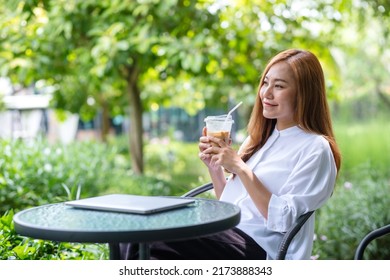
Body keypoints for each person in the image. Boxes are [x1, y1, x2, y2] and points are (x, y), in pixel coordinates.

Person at [120, 48, 341, 260]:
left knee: (152, 238)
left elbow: (283, 220)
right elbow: (231, 205)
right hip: (228, 235)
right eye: (265, 82)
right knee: (132, 238)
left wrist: (240, 168)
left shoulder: (315, 148)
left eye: (279, 86)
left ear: (304, 93)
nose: (266, 93)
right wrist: (215, 169)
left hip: (261, 251)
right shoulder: (259, 138)